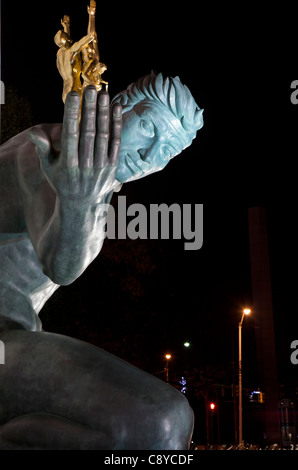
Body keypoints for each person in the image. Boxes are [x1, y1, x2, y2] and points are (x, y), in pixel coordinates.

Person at [0, 72, 203, 449]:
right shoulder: (44, 150)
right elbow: (60, 266)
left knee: (162, 424)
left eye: (166, 151)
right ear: (116, 109)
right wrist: (79, 203)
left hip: (15, 338)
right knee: (161, 420)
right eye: (147, 127)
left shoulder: (92, 186)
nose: (149, 156)